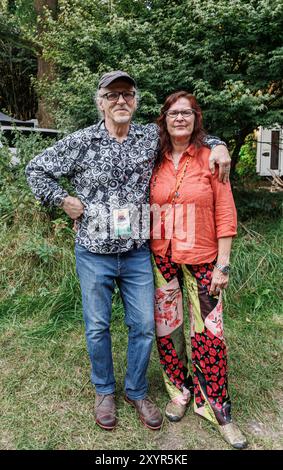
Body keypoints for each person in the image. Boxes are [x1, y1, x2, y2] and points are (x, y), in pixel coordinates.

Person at [25, 71, 231, 432]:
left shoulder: (148, 137)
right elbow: (35, 169)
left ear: (135, 101)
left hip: (137, 252)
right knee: (97, 326)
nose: (121, 101)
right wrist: (63, 200)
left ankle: (137, 390)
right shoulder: (81, 142)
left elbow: (186, 135)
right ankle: (104, 391)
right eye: (112, 94)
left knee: (144, 326)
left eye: (128, 95)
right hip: (93, 251)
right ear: (100, 101)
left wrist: (219, 145)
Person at [150, 91, 247, 448]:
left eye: (187, 113)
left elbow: (225, 212)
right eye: (173, 113)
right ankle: (179, 391)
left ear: (195, 119)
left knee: (209, 334)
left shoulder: (211, 158)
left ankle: (217, 407)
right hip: (162, 256)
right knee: (167, 328)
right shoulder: (154, 158)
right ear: (164, 118)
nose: (180, 118)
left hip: (204, 258)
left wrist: (223, 264)